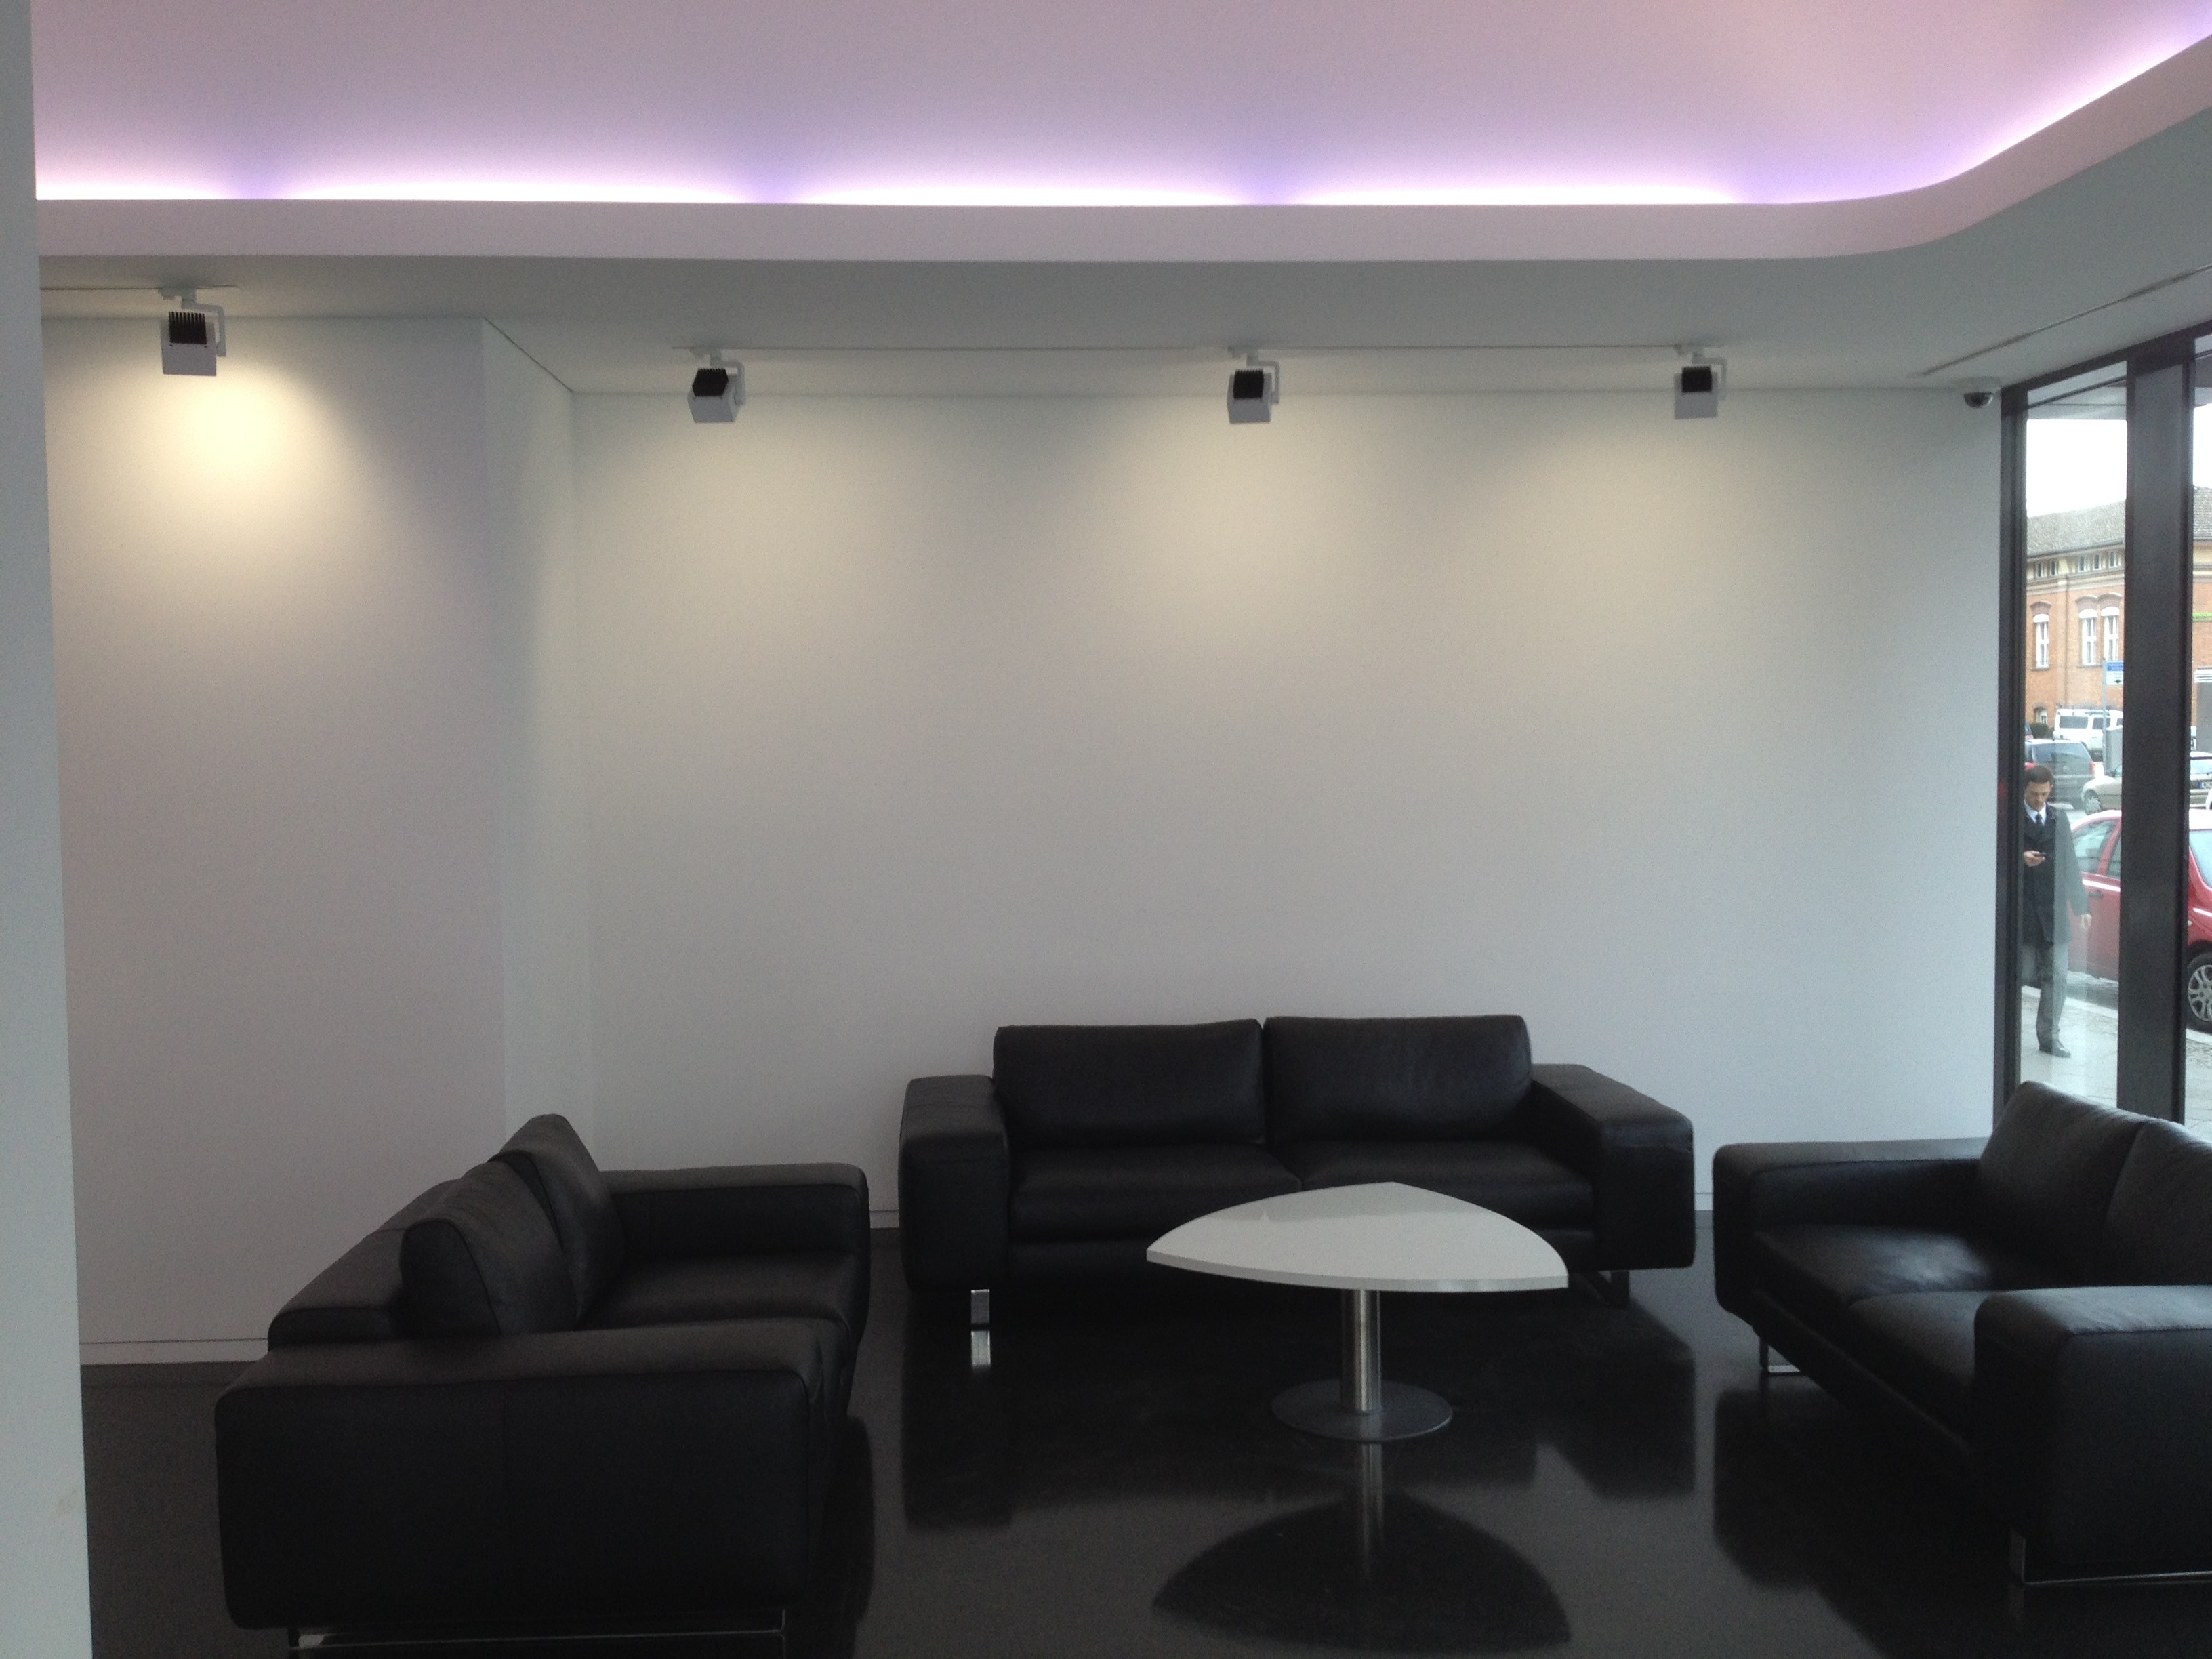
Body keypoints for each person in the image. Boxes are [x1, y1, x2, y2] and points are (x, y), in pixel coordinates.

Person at [2020, 762, 2089, 1058]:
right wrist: (2020, 858)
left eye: (2045, 794)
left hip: (2054, 913)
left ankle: (2050, 1038)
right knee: (2022, 974)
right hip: (2024, 913)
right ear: (2025, 790)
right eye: (2034, 794)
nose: (2040, 800)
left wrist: (2082, 906)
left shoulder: (2059, 820)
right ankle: (2003, 1031)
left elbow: (2070, 864)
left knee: (2058, 978)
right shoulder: (2012, 820)